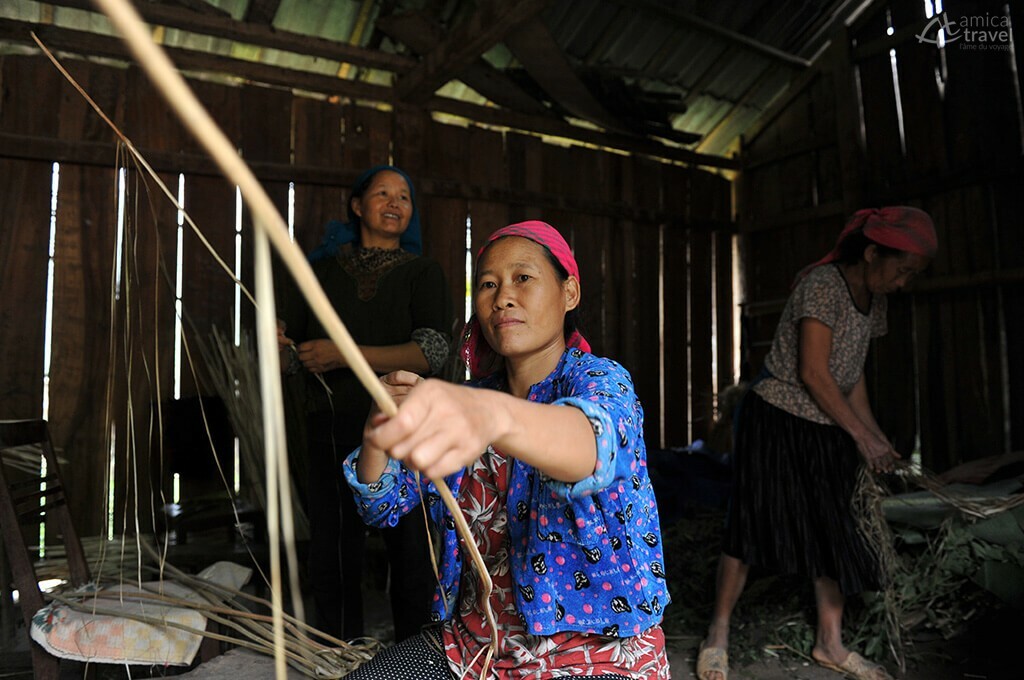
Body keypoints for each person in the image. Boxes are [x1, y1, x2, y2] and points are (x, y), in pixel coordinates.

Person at [340, 221, 670, 679]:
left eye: (523, 278)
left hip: (595, 652)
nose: (502, 297)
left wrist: (488, 414)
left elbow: (590, 449)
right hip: (475, 645)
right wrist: (378, 431)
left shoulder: (599, 382)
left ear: (569, 293)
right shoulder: (472, 400)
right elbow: (381, 506)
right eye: (488, 285)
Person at [696, 206, 938, 680]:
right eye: (902, 269)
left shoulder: (875, 299)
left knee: (836, 530)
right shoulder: (824, 285)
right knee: (751, 523)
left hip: (829, 421)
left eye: (913, 275)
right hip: (780, 418)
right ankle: (717, 635)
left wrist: (874, 436)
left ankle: (830, 644)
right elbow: (813, 371)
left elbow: (852, 374)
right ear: (872, 252)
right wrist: (859, 436)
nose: (904, 282)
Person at [277, 165, 451, 642]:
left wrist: (344, 354)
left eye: (404, 196)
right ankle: (338, 654)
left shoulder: (423, 272)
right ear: (357, 206)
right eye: (382, 194)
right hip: (329, 422)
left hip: (402, 424)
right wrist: (281, 348)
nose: (395, 203)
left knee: (411, 547)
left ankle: (417, 656)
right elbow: (291, 357)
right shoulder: (320, 273)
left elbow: (431, 352)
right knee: (333, 549)